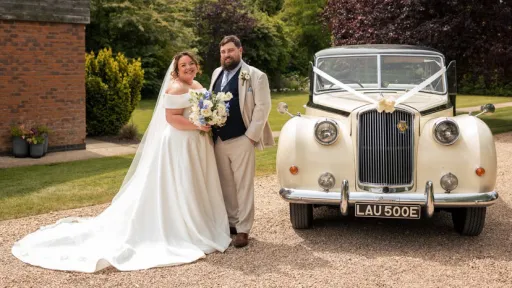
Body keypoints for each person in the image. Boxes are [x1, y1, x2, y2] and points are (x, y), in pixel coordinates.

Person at [11, 52, 232, 273]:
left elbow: (199, 110)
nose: (188, 67)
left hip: (196, 141)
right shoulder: (176, 88)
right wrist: (198, 125)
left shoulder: (196, 84)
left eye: (191, 63)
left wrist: (209, 119)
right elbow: (171, 118)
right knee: (181, 183)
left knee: (196, 182)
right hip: (180, 143)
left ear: (196, 65)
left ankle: (201, 223)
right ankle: (184, 227)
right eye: (183, 65)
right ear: (176, 69)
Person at [209, 35, 274, 248]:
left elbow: (262, 107)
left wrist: (250, 137)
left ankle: (244, 229)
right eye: (223, 52)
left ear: (240, 50)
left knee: (243, 185)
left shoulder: (256, 76)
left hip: (242, 138)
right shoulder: (216, 73)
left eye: (230, 51)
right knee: (226, 184)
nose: (226, 55)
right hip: (218, 139)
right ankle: (231, 224)